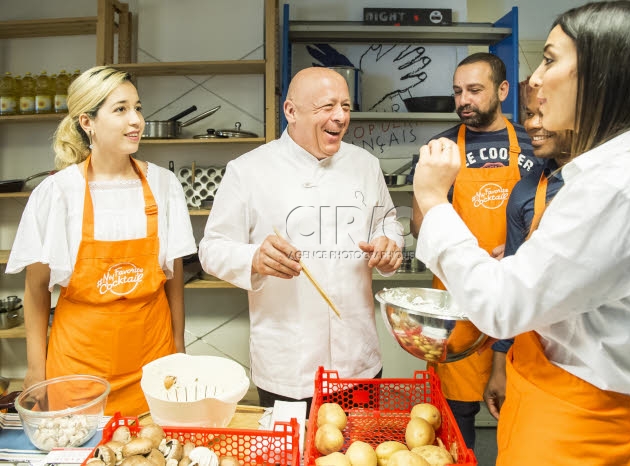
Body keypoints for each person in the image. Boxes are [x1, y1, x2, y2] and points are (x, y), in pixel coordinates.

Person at [412, 1, 630, 464]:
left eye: (549, 59)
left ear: (606, 73)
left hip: (582, 435)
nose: (536, 81)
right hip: (575, 407)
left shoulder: (622, 184)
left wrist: (431, 200)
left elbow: (504, 305)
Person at [483, 80, 630, 465]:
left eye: (542, 113)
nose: (534, 123)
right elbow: (515, 297)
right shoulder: (525, 193)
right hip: (548, 395)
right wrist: (502, 365)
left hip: (626, 405)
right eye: (529, 114)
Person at [198, 67, 404, 415]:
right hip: (287, 364)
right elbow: (212, 248)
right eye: (327, 106)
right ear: (291, 111)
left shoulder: (365, 165)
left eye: (346, 106)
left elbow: (387, 221)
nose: (340, 117)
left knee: (355, 453)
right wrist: (253, 258)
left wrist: (388, 243)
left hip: (359, 358)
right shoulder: (248, 170)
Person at [6, 66, 196, 416]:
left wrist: (179, 348)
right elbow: (36, 289)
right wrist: (36, 367)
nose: (136, 119)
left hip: (151, 361)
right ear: (87, 122)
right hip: (78, 369)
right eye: (120, 109)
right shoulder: (58, 192)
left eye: (137, 107)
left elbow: (173, 278)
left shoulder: (164, 185)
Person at [408, 52, 540, 451]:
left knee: (519, 411)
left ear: (501, 91)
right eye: (457, 92)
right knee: (454, 415)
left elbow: (553, 217)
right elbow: (419, 225)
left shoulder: (535, 146)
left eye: (475, 90)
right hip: (456, 303)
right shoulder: (439, 150)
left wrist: (524, 248)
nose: (464, 100)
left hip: (520, 299)